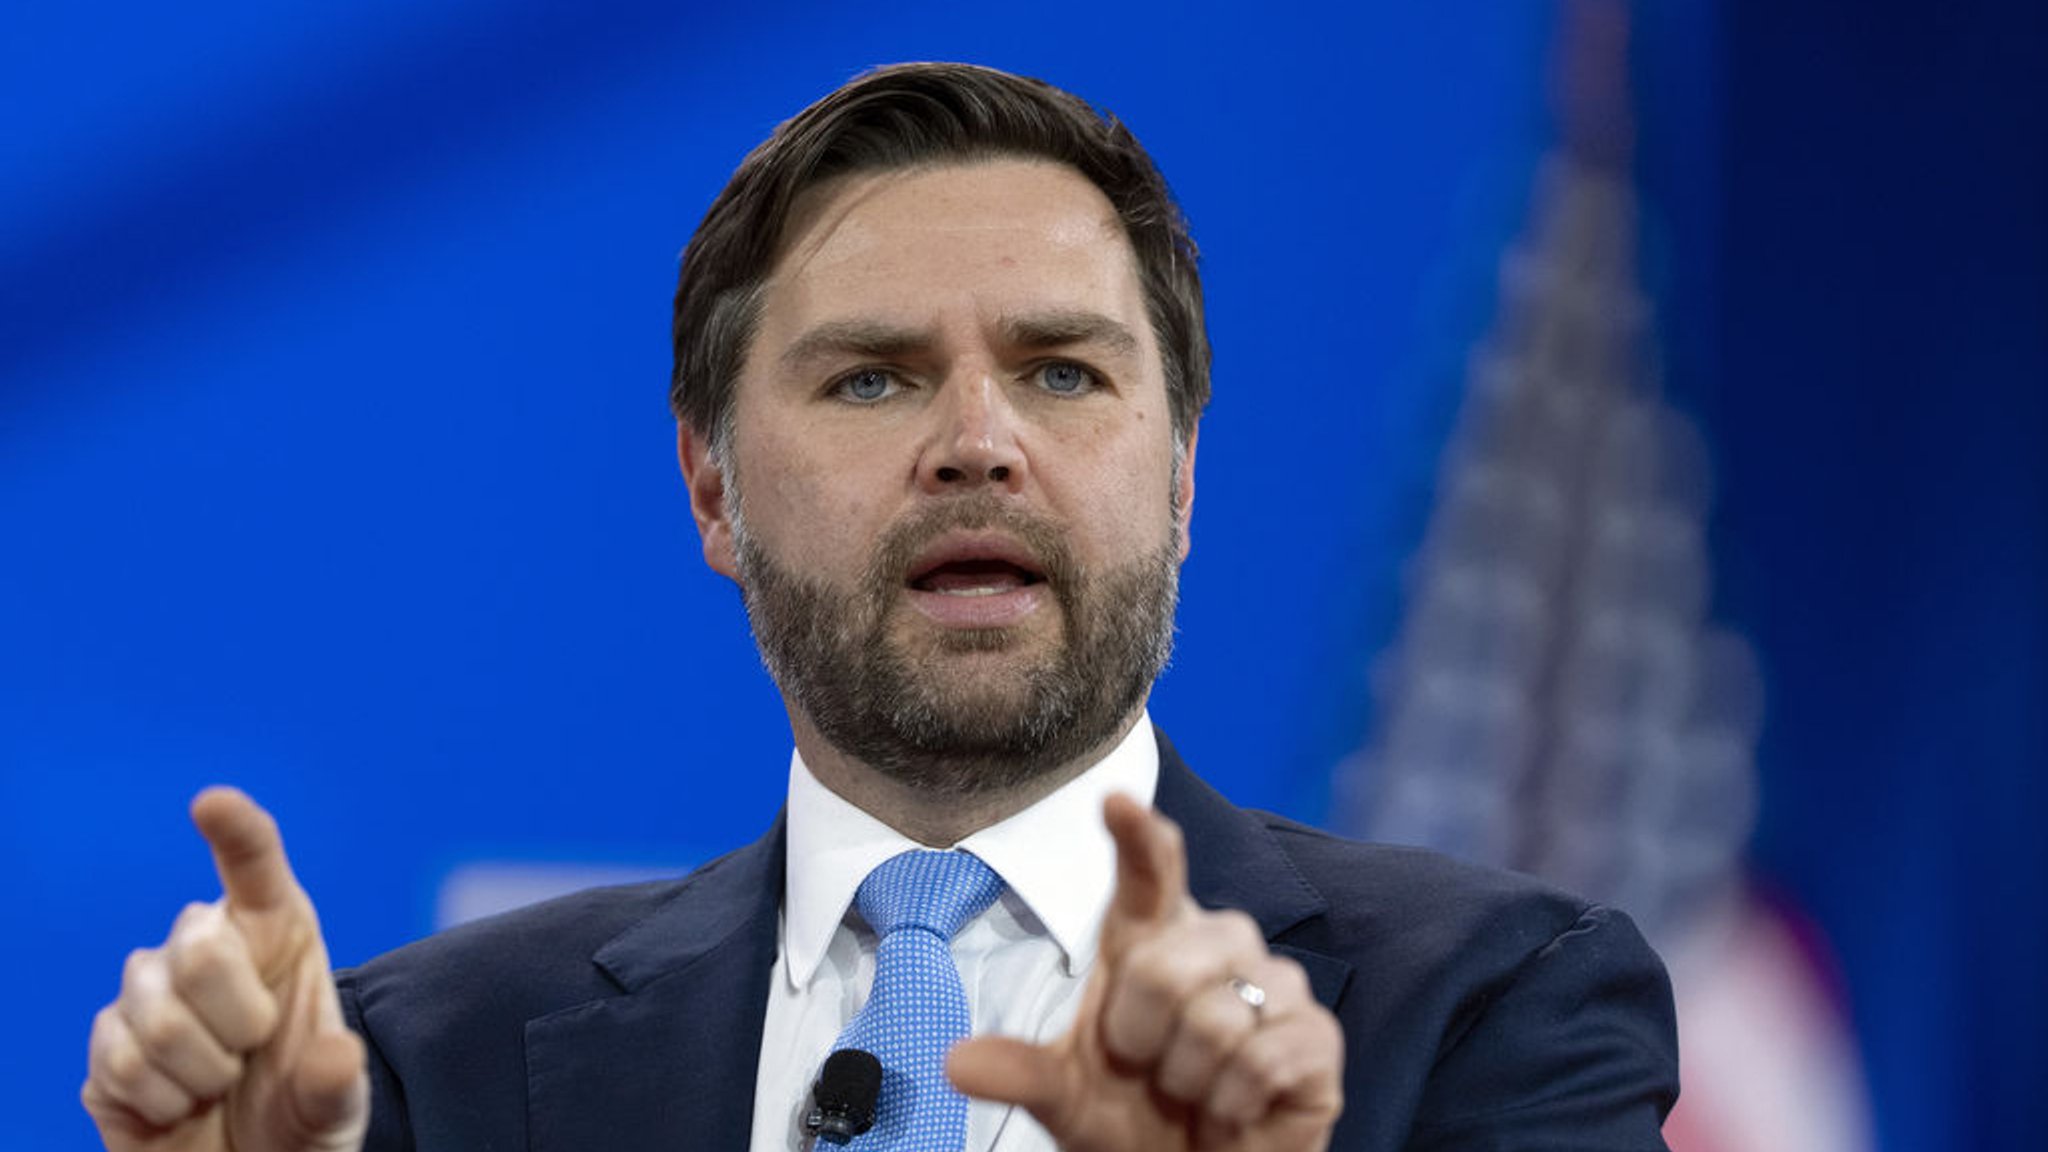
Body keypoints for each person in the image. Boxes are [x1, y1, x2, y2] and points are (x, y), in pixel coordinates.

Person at [80, 62, 1679, 1152]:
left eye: (1062, 370)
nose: (977, 444)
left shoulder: (1495, 1009)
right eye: (871, 378)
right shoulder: (422, 1067)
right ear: (712, 490)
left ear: (1181, 478)